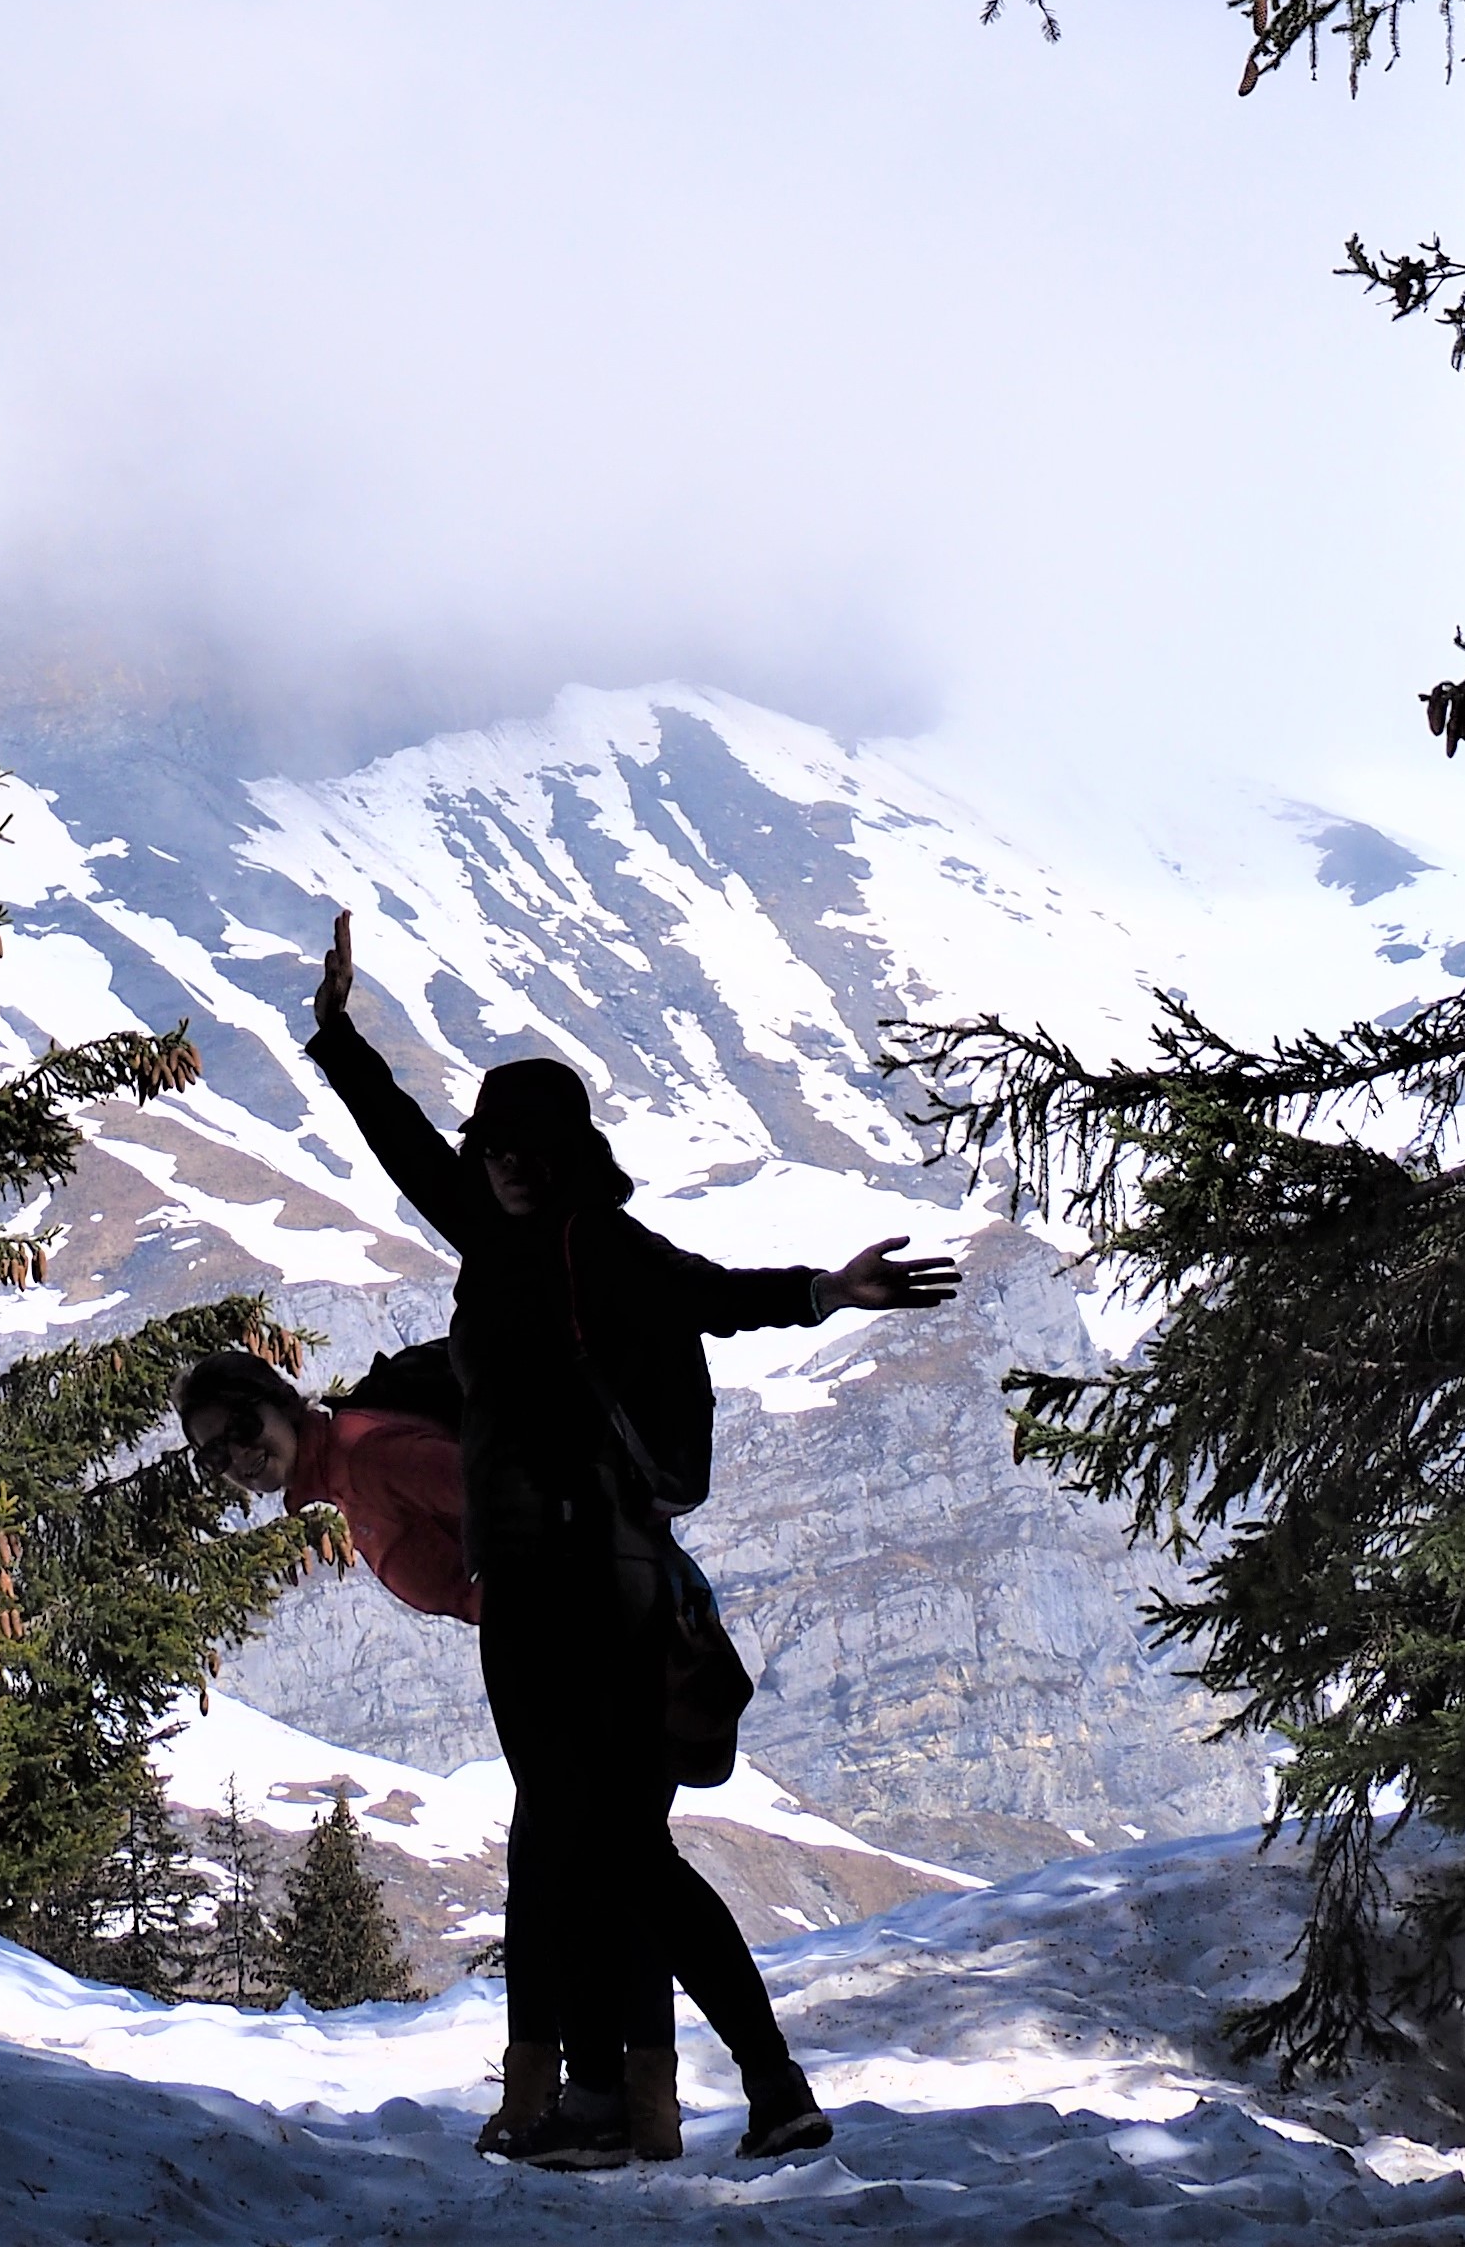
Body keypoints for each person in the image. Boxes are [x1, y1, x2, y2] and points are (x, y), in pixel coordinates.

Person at [291, 906, 957, 2172]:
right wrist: (341, 1043)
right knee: (604, 1844)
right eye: (494, 1146)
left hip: (559, 1588)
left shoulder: (568, 1242)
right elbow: (407, 1149)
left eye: (524, 1147)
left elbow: (717, 1294)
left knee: (591, 1842)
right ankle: (688, 2094)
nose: (502, 1165)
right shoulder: (532, 1234)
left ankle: (651, 2095)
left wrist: (830, 1290)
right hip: (600, 1580)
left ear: (565, 1154)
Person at [174, 1342, 831, 2147]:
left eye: (242, 1426)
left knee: (603, 1864)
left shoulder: (371, 1453)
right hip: (579, 1632)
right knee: (608, 1866)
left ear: (280, 1397)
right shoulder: (349, 1472)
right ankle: (646, 2105)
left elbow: (533, 1499)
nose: (236, 1455)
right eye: (210, 1451)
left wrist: (556, 1628)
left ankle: (680, 2098)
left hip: (577, 1638)